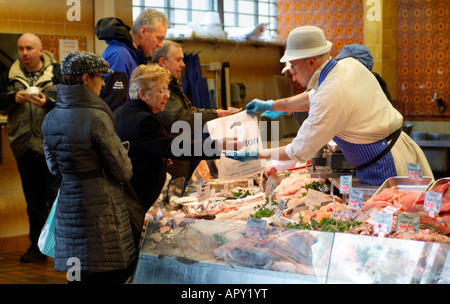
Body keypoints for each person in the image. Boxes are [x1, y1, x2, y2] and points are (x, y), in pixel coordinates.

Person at [230, 26, 433, 186]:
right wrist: (271, 104)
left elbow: (299, 151)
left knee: (392, 231)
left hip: (385, 166)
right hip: (394, 152)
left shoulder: (332, 92)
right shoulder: (347, 65)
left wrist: (256, 154)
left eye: (293, 66)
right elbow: (313, 97)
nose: (292, 73)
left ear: (310, 62)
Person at [42, 51, 144, 284]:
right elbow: (122, 170)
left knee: (77, 276)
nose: (103, 83)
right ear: (86, 78)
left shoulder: (50, 117)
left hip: (69, 206)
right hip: (102, 211)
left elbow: (53, 168)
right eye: (101, 77)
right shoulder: (96, 117)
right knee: (107, 274)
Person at [115, 64, 235, 212]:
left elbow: (144, 148)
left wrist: (160, 158)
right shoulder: (144, 119)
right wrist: (218, 145)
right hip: (135, 200)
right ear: (143, 94)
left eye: (167, 90)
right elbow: (175, 147)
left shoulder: (122, 113)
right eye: (161, 90)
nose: (167, 95)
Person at [0, 33, 61, 263]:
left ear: (40, 50)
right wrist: (12, 98)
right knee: (33, 201)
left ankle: (59, 246)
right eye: (20, 49)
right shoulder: (8, 75)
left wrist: (48, 103)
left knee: (55, 198)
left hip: (52, 145)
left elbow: (70, 102)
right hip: (24, 146)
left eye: (28, 48)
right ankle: (36, 247)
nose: (24, 53)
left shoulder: (57, 73)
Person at [152, 40, 231, 181]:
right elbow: (177, 118)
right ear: (162, 61)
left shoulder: (174, 88)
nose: (183, 64)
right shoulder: (160, 89)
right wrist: (215, 114)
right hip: (170, 166)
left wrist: (217, 115)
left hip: (182, 159)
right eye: (178, 60)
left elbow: (188, 111)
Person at [95, 8, 170, 112]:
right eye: (159, 38)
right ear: (143, 31)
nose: (161, 44)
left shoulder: (133, 54)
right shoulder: (120, 54)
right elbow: (114, 105)